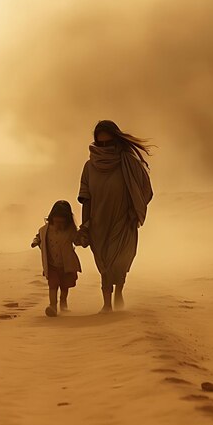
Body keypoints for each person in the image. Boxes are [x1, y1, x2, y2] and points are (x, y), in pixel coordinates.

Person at [78, 120, 153, 313]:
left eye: (109, 143)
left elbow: (146, 191)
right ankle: (107, 304)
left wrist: (134, 210)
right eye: (100, 143)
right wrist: (85, 225)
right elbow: (86, 198)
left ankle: (118, 292)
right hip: (98, 222)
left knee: (119, 261)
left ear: (117, 141)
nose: (104, 147)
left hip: (124, 220)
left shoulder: (129, 162)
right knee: (104, 263)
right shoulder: (89, 167)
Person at [31, 200, 86, 317]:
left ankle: (63, 303)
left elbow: (77, 240)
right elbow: (38, 237)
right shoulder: (45, 230)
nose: (59, 225)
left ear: (67, 221)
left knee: (65, 286)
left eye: (62, 222)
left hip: (66, 264)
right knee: (53, 285)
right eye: (57, 222)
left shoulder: (70, 231)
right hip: (52, 265)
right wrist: (36, 242)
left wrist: (83, 240)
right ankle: (53, 306)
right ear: (51, 219)